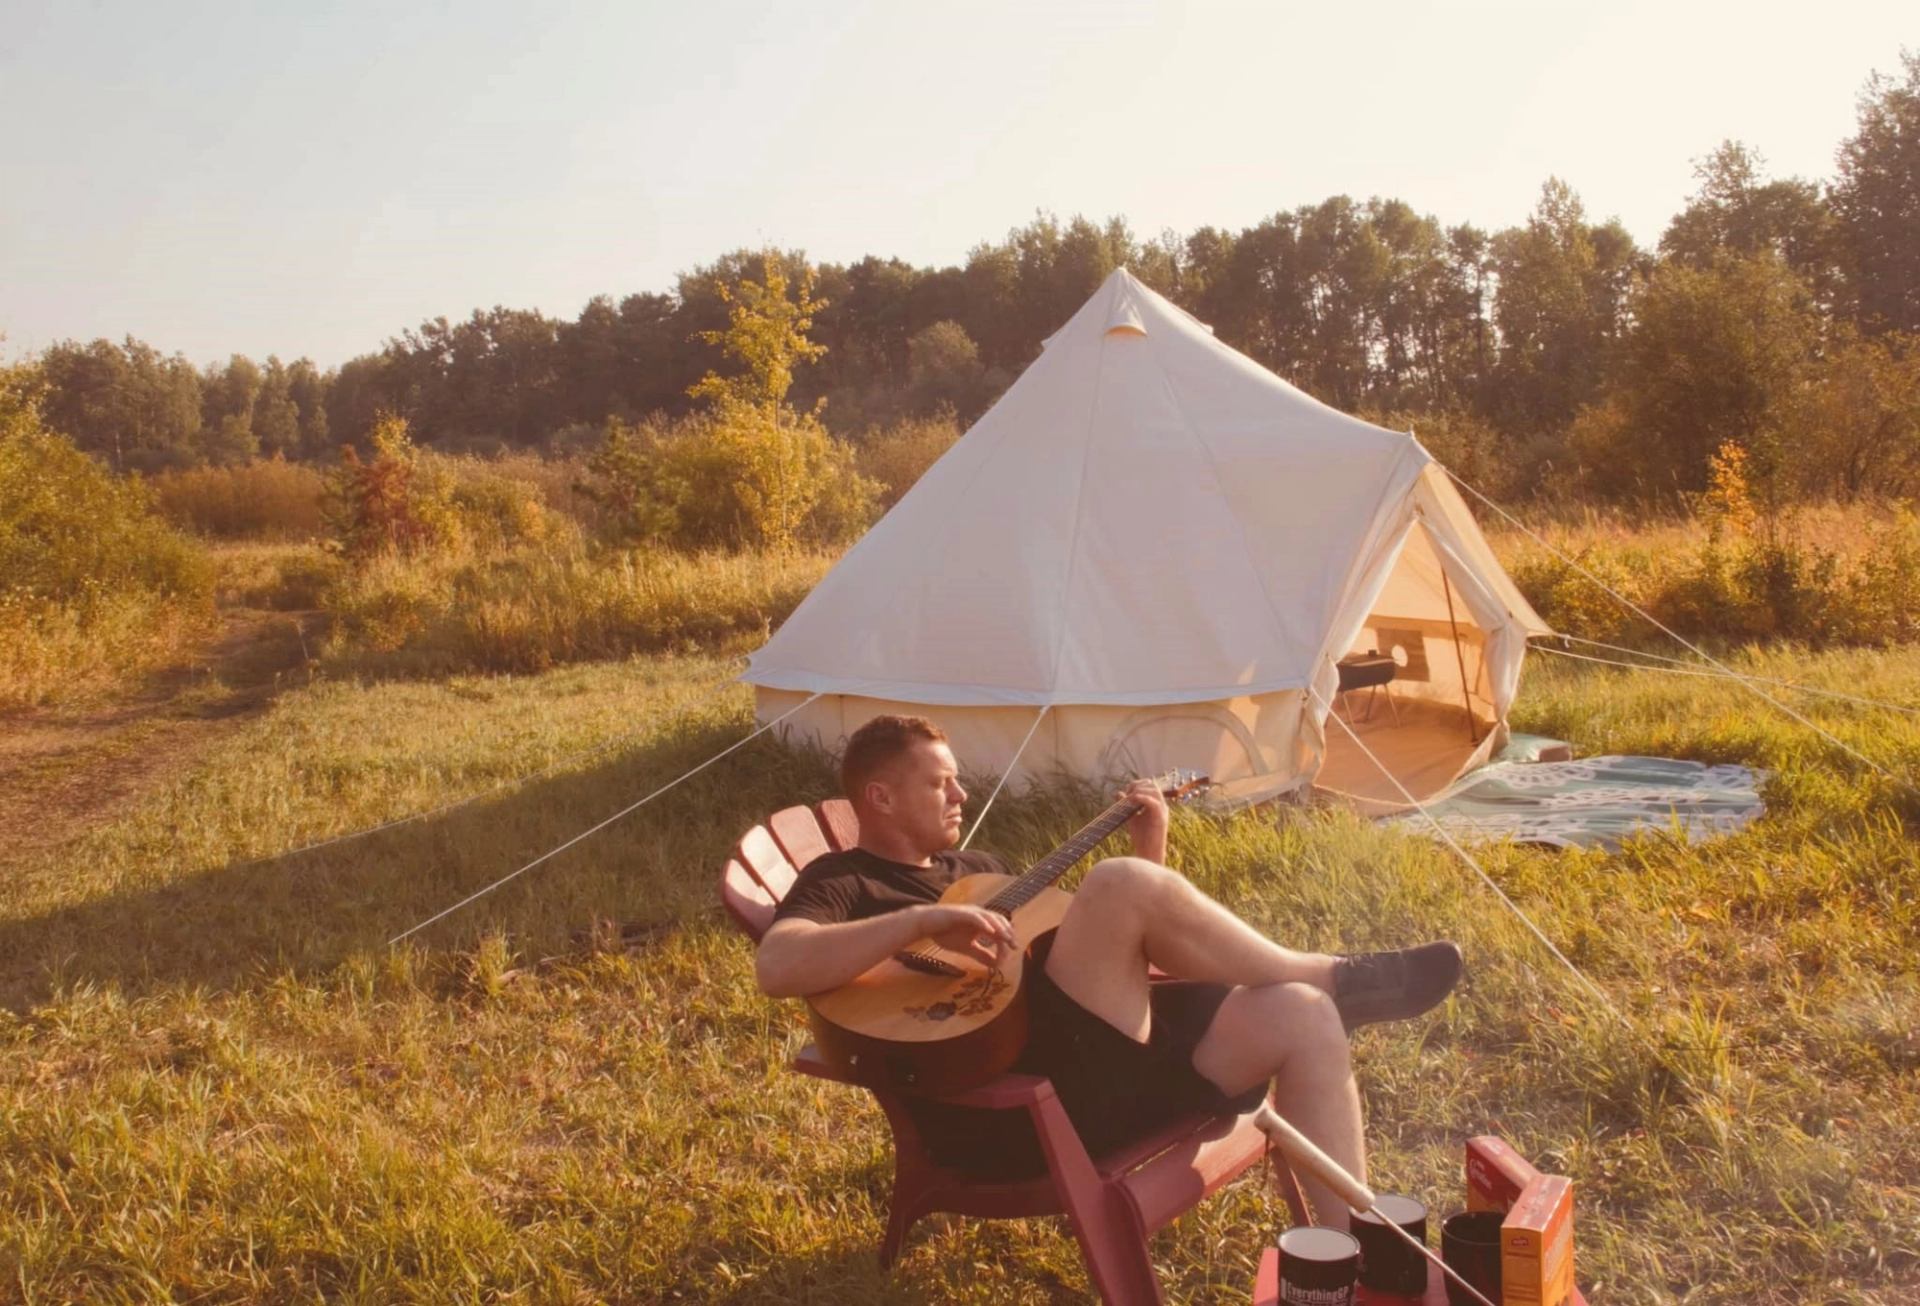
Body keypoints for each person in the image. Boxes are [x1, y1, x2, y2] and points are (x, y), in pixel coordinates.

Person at [755, 715, 1462, 1228]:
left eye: (958, 782)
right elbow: (778, 963)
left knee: (1300, 1015)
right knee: (1118, 884)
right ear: (880, 798)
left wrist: (1150, 848)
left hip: (1112, 1071)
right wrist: (918, 922)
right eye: (941, 784)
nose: (962, 797)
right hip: (1026, 1108)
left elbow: (1128, 967)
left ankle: (1351, 1258)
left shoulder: (983, 870)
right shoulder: (845, 880)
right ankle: (1336, 975)